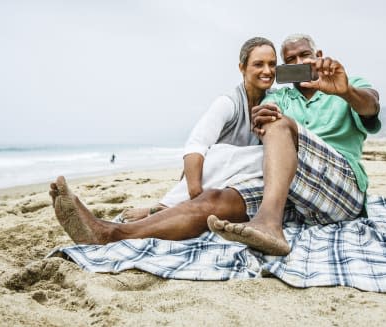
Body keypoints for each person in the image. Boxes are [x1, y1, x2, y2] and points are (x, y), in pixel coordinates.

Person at [49, 33, 380, 256]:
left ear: (318, 56)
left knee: (280, 125)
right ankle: (111, 233)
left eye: (304, 56)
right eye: (289, 60)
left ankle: (268, 223)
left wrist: (344, 92)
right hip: (294, 197)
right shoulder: (279, 96)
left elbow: (371, 107)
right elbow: (217, 144)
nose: (297, 62)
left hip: (341, 191)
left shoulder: (348, 83)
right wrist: (262, 123)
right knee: (214, 199)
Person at [117, 37, 276, 222]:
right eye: (258, 64)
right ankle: (164, 207)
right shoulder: (228, 103)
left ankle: (164, 208)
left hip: (241, 183)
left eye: (272, 64)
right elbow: (197, 145)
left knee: (266, 155)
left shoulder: (277, 100)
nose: (267, 71)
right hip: (211, 180)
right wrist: (195, 195)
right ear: (242, 68)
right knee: (225, 154)